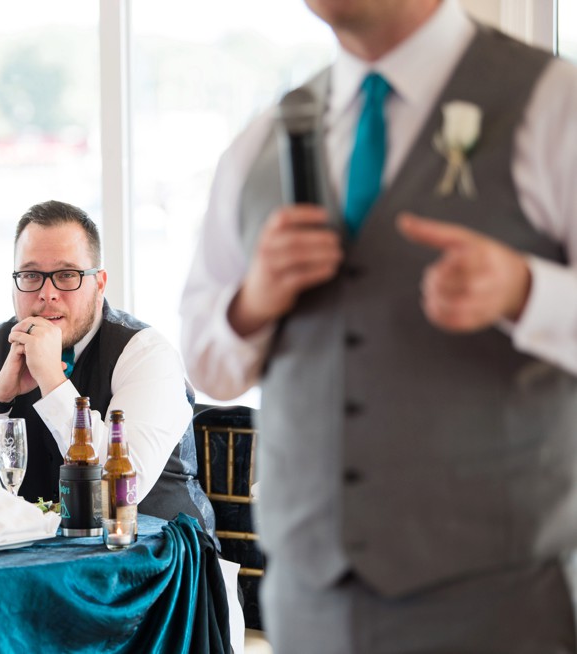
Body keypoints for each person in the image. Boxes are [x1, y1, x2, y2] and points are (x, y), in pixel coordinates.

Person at [180, 1, 577, 651]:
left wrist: (526, 291)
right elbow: (204, 360)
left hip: (501, 609)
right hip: (308, 608)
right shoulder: (260, 144)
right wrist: (253, 301)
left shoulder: (555, 106)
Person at [0, 200, 214, 530]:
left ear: (99, 283)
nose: (47, 294)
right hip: (39, 557)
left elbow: (119, 494)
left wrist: (52, 380)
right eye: (31, 275)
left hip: (159, 559)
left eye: (66, 275)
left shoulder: (146, 352)